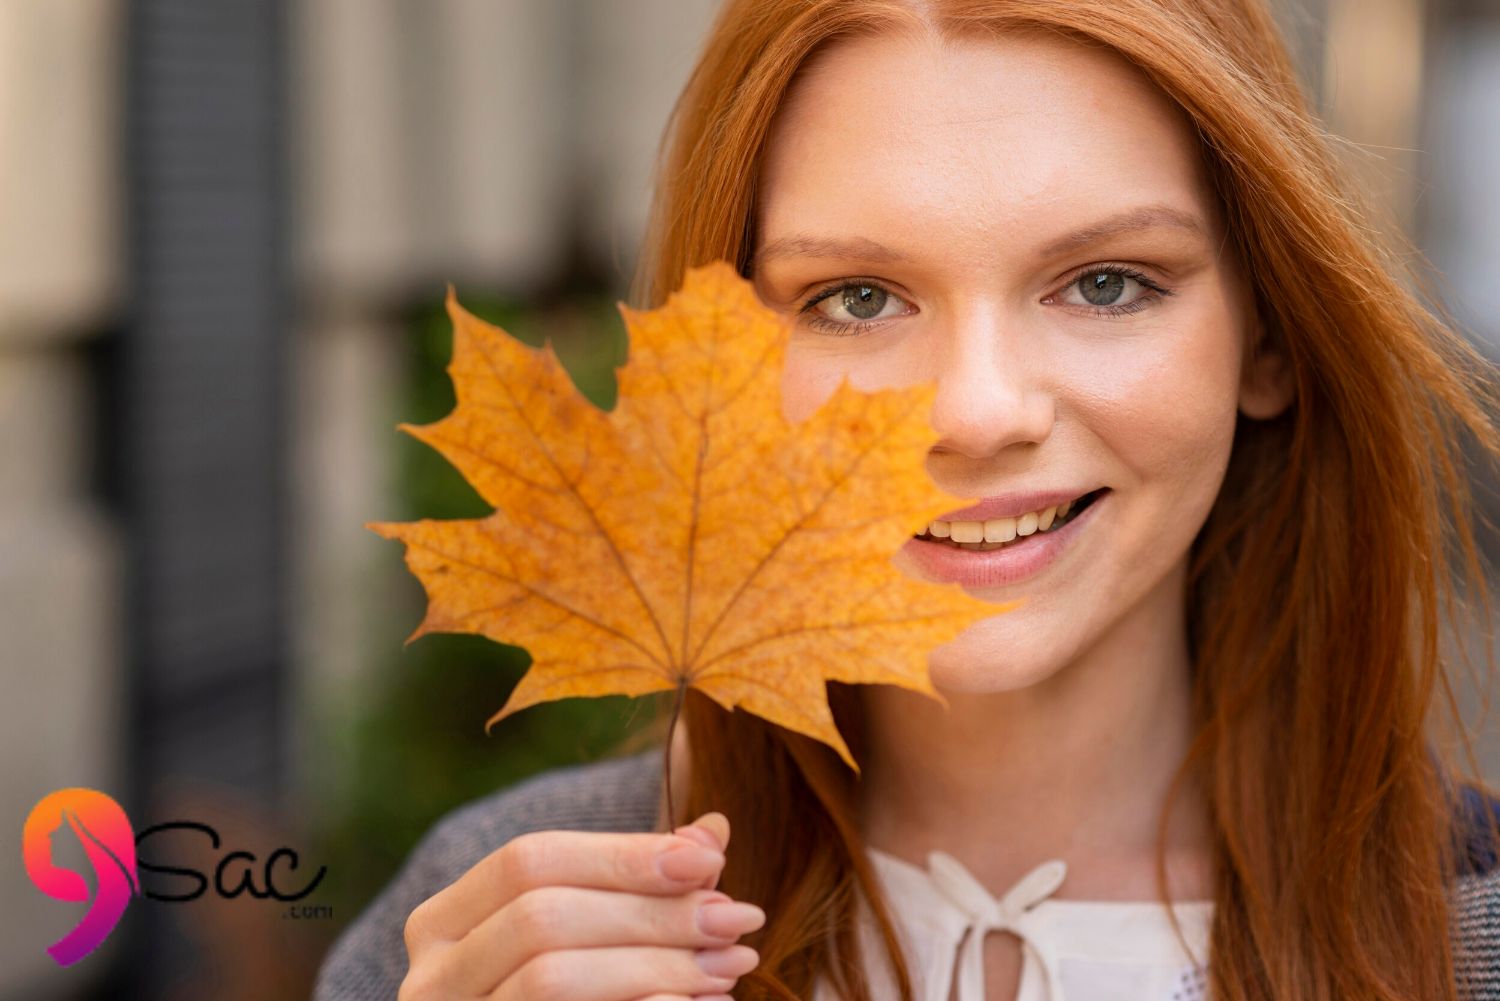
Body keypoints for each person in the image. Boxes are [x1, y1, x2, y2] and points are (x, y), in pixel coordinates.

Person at [313, 1, 1500, 999]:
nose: (977, 411)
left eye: (1105, 282)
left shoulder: (1473, 936)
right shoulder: (498, 923)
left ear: (1267, 338)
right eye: (859, 299)